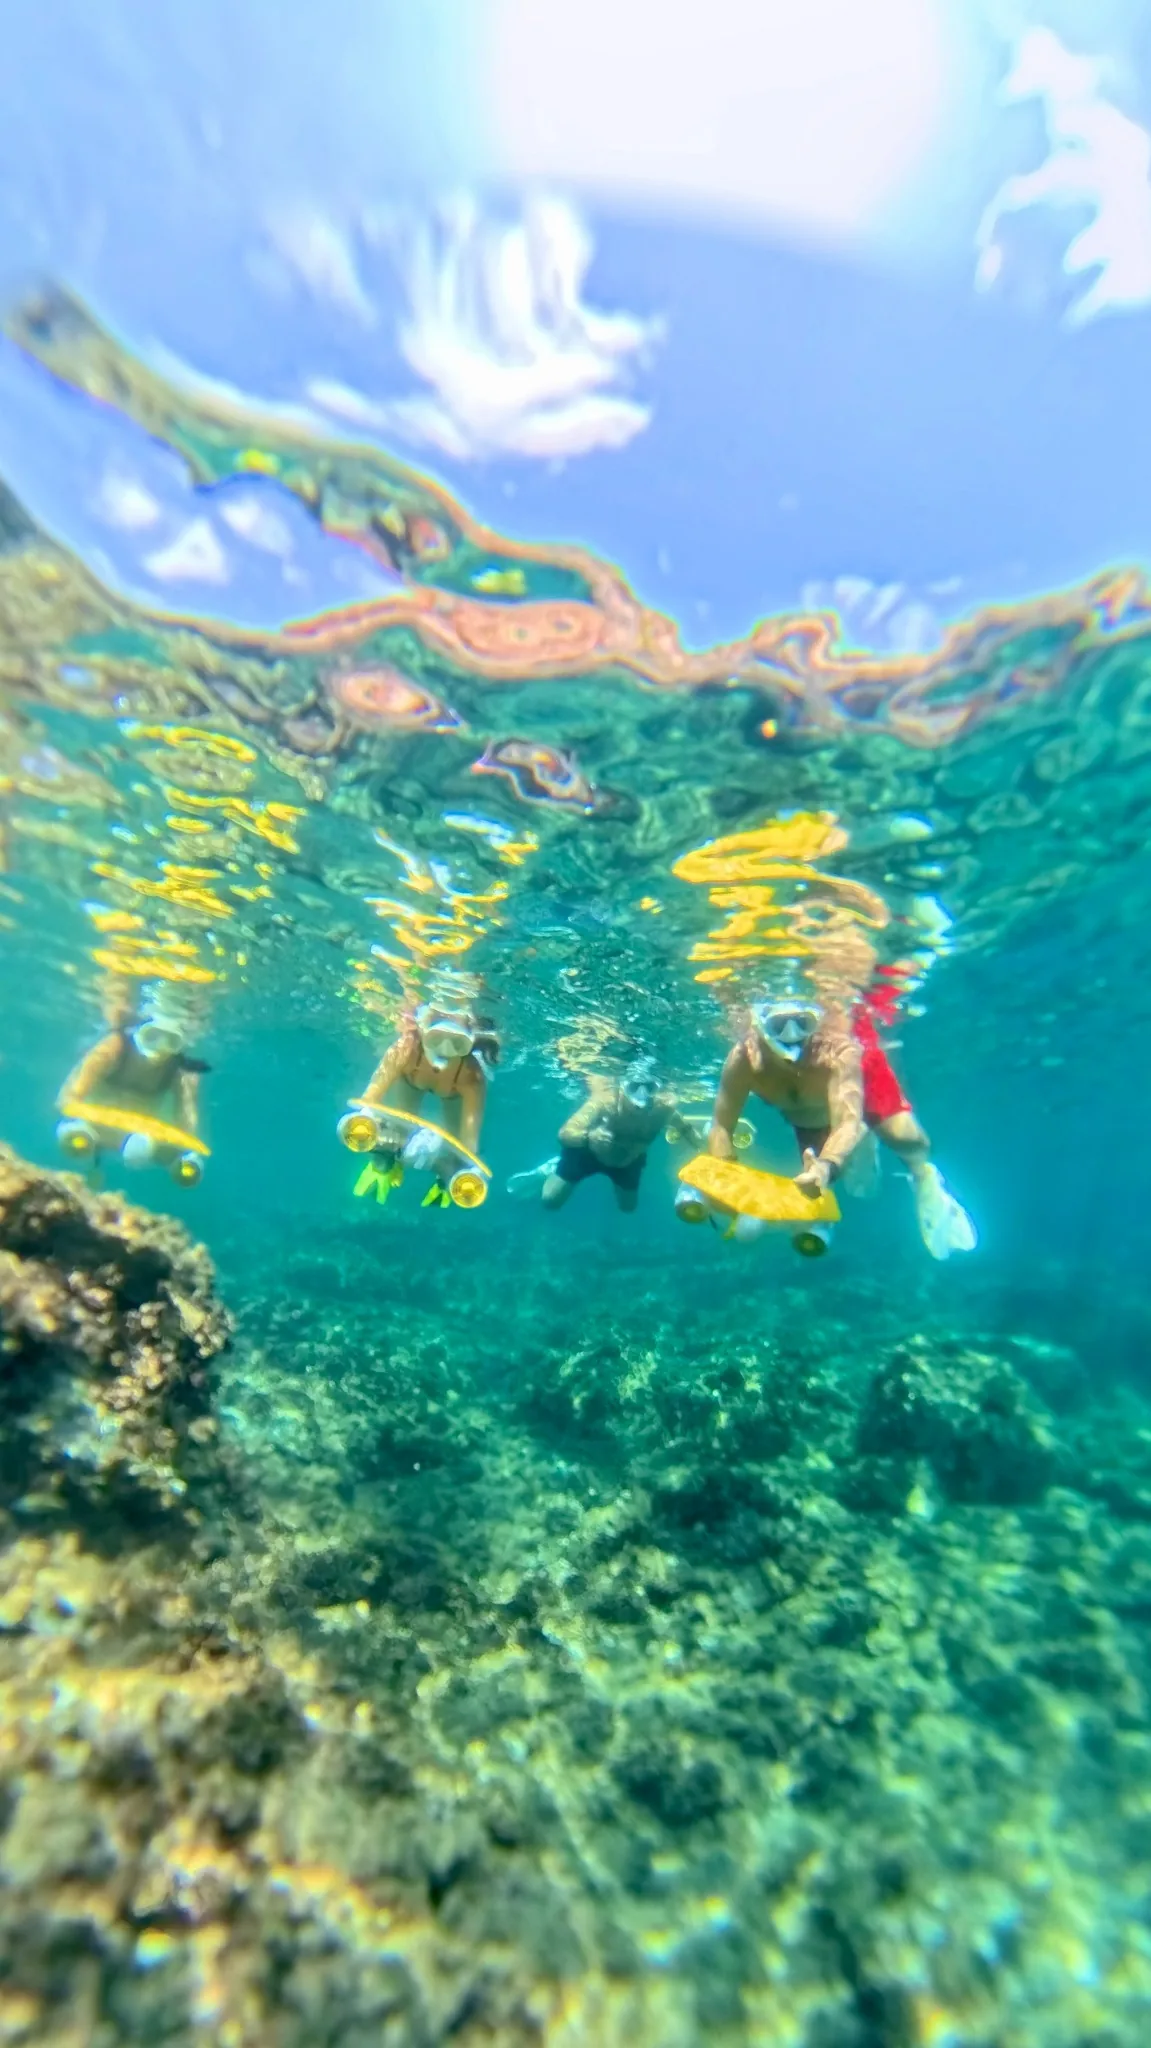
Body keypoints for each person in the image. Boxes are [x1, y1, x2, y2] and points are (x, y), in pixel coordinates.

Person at [697, 993, 975, 1258]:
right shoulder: (744, 1059)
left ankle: (923, 1173)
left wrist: (827, 1164)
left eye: (802, 1024)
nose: (793, 1035)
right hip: (808, 1114)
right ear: (761, 1026)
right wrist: (726, 1177)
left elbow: (846, 1122)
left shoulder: (839, 1051)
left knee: (907, 1140)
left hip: (854, 1086)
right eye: (780, 1025)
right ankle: (857, 1149)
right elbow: (721, 1124)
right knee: (819, 1180)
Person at [357, 1002, 495, 1203]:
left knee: (456, 1156)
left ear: (470, 1042)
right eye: (436, 1038)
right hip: (410, 1078)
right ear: (422, 1029)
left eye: (457, 1042)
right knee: (392, 1129)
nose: (445, 1049)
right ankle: (382, 1167)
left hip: (453, 1090)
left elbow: (468, 1146)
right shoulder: (405, 1049)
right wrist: (377, 1135)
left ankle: (441, 1187)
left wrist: (452, 1167)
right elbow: (368, 1102)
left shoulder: (471, 1076)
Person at [56, 1009, 208, 1184]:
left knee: (151, 1153)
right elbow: (70, 1095)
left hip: (141, 1141)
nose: (161, 1048)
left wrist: (187, 1153)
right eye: (152, 1036)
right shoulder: (113, 1047)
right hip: (91, 1129)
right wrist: (71, 1112)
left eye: (171, 1041)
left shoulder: (181, 1071)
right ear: (139, 1032)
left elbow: (187, 1117)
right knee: (75, 1136)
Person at [535, 1059, 692, 1214]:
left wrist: (701, 1146)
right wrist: (589, 1137)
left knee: (628, 1208)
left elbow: (685, 1128)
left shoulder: (663, 1110)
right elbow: (565, 1133)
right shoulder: (604, 1102)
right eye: (634, 1087)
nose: (641, 1094)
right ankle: (550, 1168)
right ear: (622, 1087)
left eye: (649, 1088)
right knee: (550, 1200)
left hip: (627, 1163)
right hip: (588, 1154)